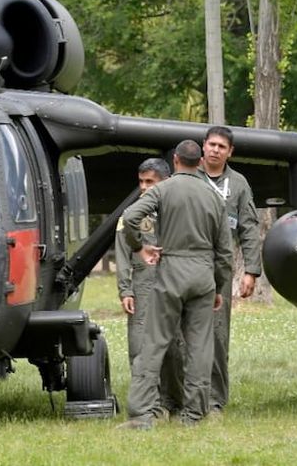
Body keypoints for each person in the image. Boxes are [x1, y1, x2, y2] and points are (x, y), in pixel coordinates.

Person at [119, 140, 232, 429]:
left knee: (154, 344)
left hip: (171, 272)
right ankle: (194, 415)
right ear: (200, 162)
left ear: (176, 160)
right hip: (204, 274)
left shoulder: (163, 189)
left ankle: (142, 415)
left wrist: (140, 247)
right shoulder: (214, 196)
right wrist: (218, 287)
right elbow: (225, 253)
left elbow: (131, 217)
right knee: (199, 347)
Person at [199, 125, 261, 415]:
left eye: (221, 147)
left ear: (230, 152)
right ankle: (182, 398)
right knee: (180, 335)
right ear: (203, 146)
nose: (215, 150)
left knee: (217, 335)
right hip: (183, 266)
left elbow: (248, 227)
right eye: (211, 144)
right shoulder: (187, 177)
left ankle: (214, 401)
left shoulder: (238, 184)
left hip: (219, 271)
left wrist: (251, 270)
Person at [114, 157, 182, 413]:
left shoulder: (177, 212)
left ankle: (174, 401)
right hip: (142, 287)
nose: (144, 187)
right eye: (141, 182)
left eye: (150, 182)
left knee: (175, 347)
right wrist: (125, 290)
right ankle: (148, 406)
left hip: (173, 284)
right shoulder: (130, 215)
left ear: (165, 182)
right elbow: (122, 254)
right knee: (139, 346)